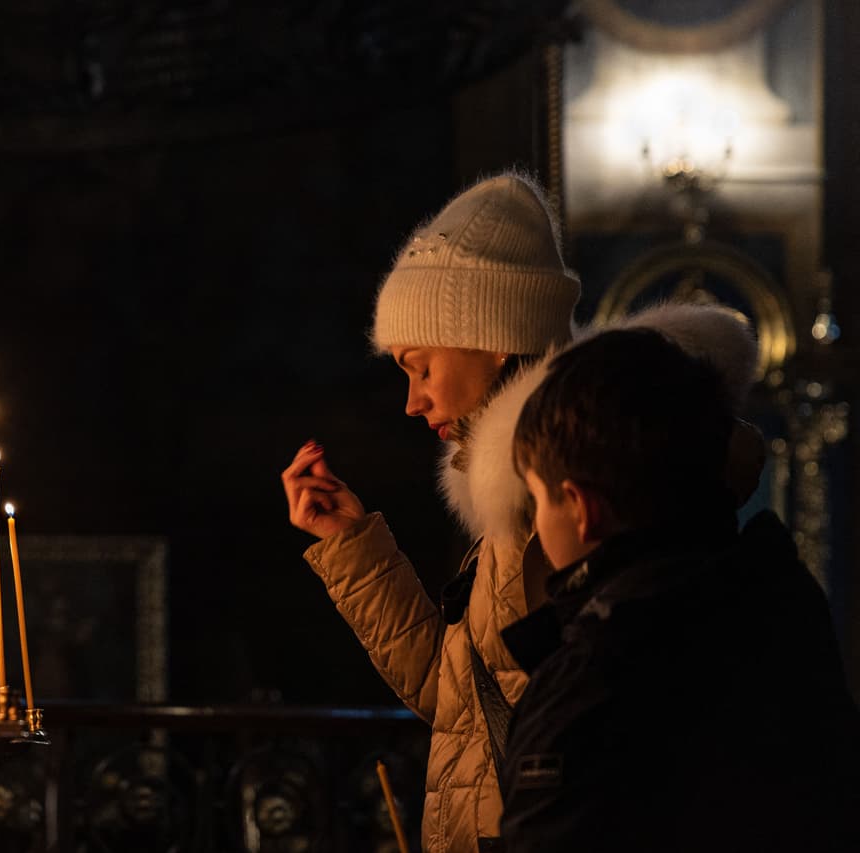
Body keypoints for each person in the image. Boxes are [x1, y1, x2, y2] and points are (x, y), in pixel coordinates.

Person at [280, 171, 760, 852]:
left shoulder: (555, 497)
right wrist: (355, 546)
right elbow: (461, 698)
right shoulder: (525, 492)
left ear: (493, 337)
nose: (412, 402)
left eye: (421, 367)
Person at [502, 327, 860, 853]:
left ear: (581, 508)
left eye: (538, 500)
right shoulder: (779, 607)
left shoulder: (595, 676)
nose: (536, 522)